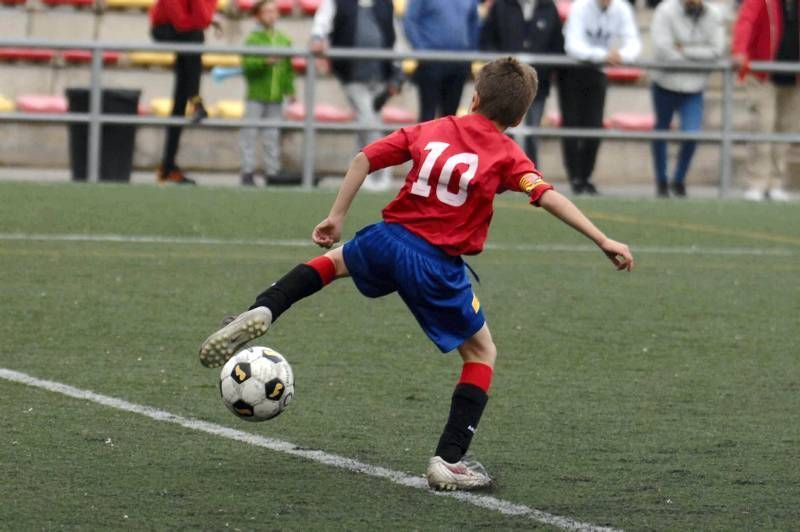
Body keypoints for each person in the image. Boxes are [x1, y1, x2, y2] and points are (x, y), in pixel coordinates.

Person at [198, 57, 634, 491]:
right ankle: (449, 460)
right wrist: (603, 239)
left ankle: (263, 310)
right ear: (519, 117)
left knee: (331, 264)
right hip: (435, 264)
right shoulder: (507, 154)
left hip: (388, 238)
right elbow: (547, 196)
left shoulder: (433, 128)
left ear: (475, 97)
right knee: (481, 354)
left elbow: (363, 159)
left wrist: (335, 217)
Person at [310, 0, 403, 191]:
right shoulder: (338, 2)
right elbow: (322, 22)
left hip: (380, 76)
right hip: (352, 75)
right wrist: (317, 38)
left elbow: (394, 39)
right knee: (369, 123)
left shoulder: (385, 4)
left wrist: (397, 73)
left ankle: (359, 176)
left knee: (369, 123)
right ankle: (381, 175)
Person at [559, 0, 641, 195]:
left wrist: (621, 55)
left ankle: (586, 176)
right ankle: (575, 178)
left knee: (594, 126)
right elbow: (573, 46)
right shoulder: (580, 6)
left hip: (598, 72)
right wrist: (604, 55)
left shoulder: (621, 8)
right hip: (573, 72)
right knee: (571, 125)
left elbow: (634, 43)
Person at [649, 0, 724, 198]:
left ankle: (679, 179)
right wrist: (698, 55)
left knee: (691, 134)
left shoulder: (714, 14)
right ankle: (662, 181)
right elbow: (663, 50)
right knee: (661, 133)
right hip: (665, 83)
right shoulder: (665, 10)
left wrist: (684, 50)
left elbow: (716, 51)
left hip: (694, 87)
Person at [480, 0, 565, 165]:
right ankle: (498, 174)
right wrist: (502, 69)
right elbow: (487, 42)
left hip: (537, 87)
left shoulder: (548, 7)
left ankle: (530, 178)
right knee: (502, 132)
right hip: (503, 87)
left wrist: (542, 72)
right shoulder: (500, 6)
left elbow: (557, 46)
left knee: (532, 134)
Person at [732, 0, 799, 201]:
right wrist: (739, 50)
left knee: (786, 129)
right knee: (763, 126)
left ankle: (775, 183)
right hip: (763, 75)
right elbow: (746, 21)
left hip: (794, 76)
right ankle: (756, 182)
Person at [150, 0, 220, 185]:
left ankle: (168, 166)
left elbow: (203, 18)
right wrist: (202, 22)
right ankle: (196, 101)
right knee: (196, 37)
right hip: (164, 29)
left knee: (180, 100)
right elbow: (181, 22)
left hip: (187, 32)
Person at [239, 0, 296, 186]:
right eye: (266, 12)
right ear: (258, 15)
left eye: (274, 11)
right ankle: (247, 171)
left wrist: (290, 89)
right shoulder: (253, 40)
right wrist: (264, 61)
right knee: (249, 133)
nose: (271, 15)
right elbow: (247, 65)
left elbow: (288, 69)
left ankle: (272, 171)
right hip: (257, 94)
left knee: (272, 135)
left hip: (276, 96)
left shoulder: (283, 39)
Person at [403, 0, 480, 122]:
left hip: (459, 62)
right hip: (431, 62)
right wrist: (422, 51)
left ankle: (447, 141)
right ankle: (426, 141)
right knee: (428, 117)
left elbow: (473, 22)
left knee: (450, 118)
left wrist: (470, 51)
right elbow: (410, 21)